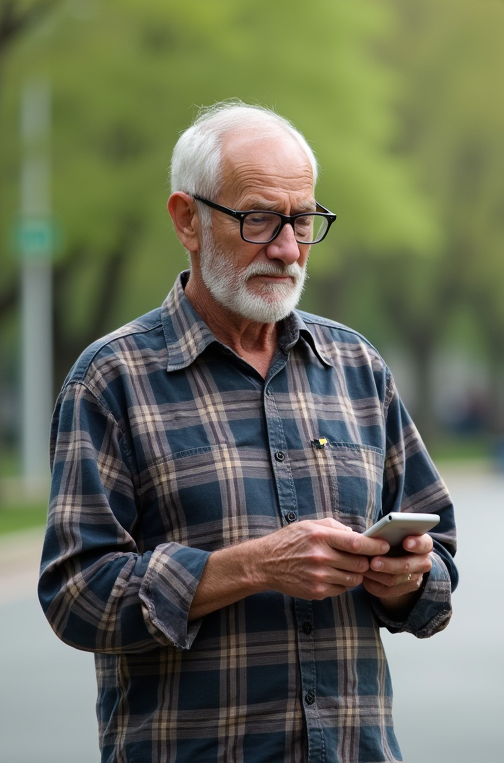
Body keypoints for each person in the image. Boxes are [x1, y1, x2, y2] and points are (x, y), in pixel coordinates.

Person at [38, 102, 457, 763]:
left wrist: (407, 581)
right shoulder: (112, 379)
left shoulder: (356, 367)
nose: (288, 248)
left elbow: (441, 560)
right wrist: (254, 566)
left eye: (303, 220)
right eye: (259, 219)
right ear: (188, 219)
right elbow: (75, 597)